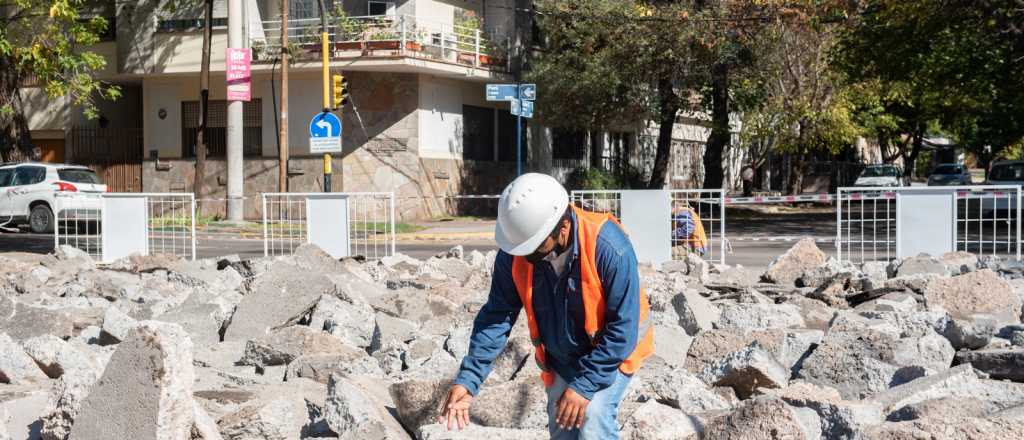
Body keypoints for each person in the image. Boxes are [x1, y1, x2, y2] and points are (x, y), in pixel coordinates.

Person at [437, 173, 654, 439]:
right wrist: (468, 380)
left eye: (534, 249)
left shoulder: (608, 246)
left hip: (614, 351)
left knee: (592, 418)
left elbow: (624, 328)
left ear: (562, 227)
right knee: (564, 428)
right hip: (563, 358)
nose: (527, 258)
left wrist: (584, 386)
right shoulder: (516, 253)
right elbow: (497, 316)